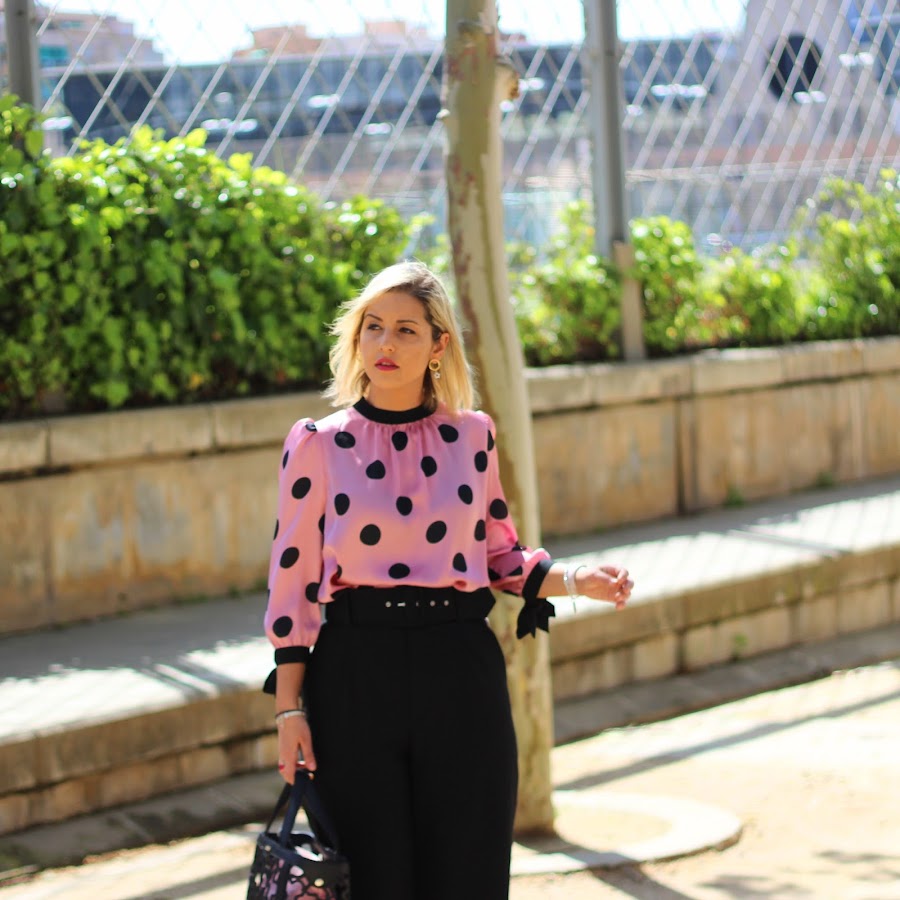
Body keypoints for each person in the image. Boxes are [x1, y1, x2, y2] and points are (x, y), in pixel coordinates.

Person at [263, 261, 633, 900]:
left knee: (469, 872)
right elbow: (290, 583)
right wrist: (289, 710)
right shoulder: (317, 444)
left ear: (439, 345)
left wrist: (576, 580)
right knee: (373, 878)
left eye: (406, 330)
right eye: (373, 326)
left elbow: (500, 555)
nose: (385, 343)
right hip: (355, 679)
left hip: (460, 673)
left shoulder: (472, 436)